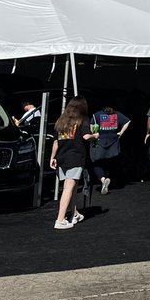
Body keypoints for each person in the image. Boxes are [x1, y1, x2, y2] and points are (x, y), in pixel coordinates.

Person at [49, 96, 98, 229]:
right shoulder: (82, 120)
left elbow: (55, 142)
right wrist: (96, 136)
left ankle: (75, 214)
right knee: (68, 188)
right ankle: (60, 220)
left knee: (73, 187)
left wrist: (52, 157)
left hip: (61, 158)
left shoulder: (61, 121)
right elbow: (86, 136)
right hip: (75, 157)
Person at [89, 105, 131, 194]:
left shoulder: (96, 115)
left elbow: (92, 126)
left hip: (99, 142)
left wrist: (94, 134)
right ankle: (106, 178)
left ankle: (103, 179)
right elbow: (128, 121)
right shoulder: (117, 114)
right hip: (113, 141)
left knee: (96, 163)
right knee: (109, 162)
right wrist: (120, 133)